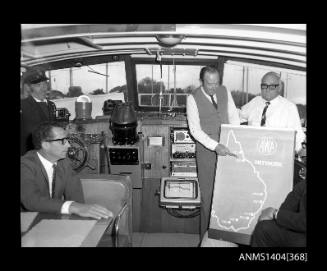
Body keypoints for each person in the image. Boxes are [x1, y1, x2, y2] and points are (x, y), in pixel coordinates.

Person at [186, 65, 240, 240]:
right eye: (209, 84)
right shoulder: (192, 98)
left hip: (228, 145)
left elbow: (233, 116)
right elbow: (195, 130)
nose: (213, 87)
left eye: (216, 83)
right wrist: (215, 146)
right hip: (207, 151)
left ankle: (226, 239)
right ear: (202, 81)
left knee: (228, 195)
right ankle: (206, 240)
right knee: (208, 198)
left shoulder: (225, 91)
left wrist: (236, 138)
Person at [21, 121, 113, 220]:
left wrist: (84, 216)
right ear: (45, 145)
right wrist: (73, 207)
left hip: (51, 220)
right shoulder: (24, 165)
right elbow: (32, 201)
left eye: (68, 140)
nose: (69, 145)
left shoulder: (64, 162)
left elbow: (76, 197)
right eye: (62, 141)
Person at [239, 71, 305, 153]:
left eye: (272, 86)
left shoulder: (289, 107)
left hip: (276, 154)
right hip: (252, 152)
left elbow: (298, 136)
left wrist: (301, 152)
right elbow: (237, 116)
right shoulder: (255, 102)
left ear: (279, 88)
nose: (267, 90)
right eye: (264, 86)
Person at [251, 180, 306, 247]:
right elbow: (285, 209)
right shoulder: (303, 185)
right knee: (264, 228)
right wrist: (270, 215)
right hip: (301, 235)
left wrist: (275, 214)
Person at [21, 67, 57, 155]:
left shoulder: (51, 105)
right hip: (30, 154)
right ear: (30, 87)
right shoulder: (23, 105)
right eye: (38, 85)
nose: (44, 88)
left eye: (45, 84)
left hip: (50, 152)